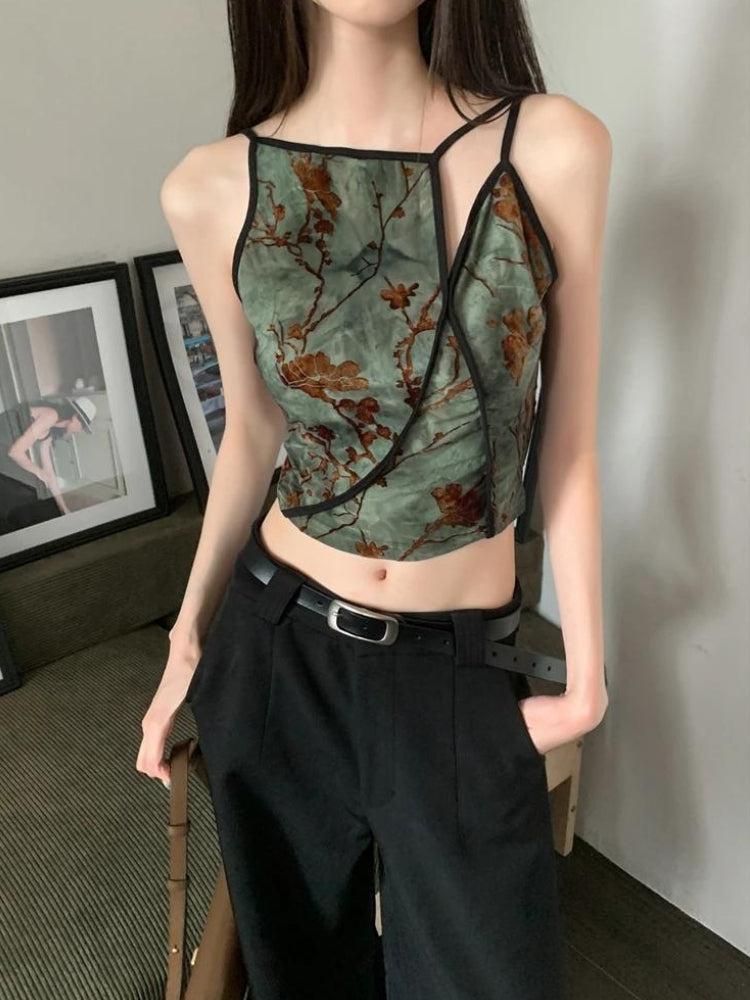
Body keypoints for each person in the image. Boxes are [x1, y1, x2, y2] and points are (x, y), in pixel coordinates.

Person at [138, 2, 612, 997]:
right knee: (302, 979)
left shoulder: (551, 147)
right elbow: (253, 432)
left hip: (457, 667)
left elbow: (567, 445)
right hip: (278, 654)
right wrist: (187, 639)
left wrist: (588, 681)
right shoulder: (211, 186)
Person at [0, 395, 96, 531]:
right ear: (75, 417)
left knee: (35, 495)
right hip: (5, 445)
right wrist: (39, 472)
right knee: (23, 495)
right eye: (83, 426)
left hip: (7, 450)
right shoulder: (50, 416)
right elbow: (15, 452)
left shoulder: (51, 432)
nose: (80, 431)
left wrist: (64, 509)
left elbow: (50, 473)